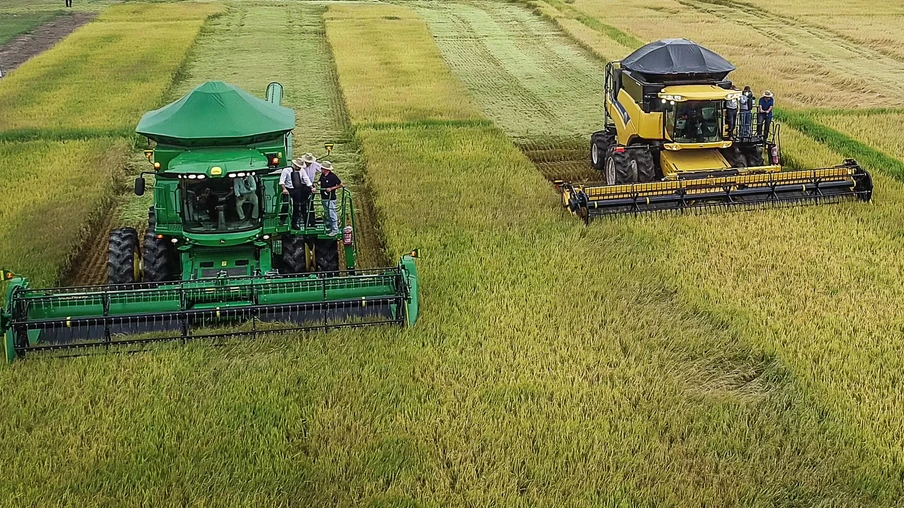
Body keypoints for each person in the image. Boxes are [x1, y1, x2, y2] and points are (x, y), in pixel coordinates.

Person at [279, 160, 315, 229]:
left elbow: (306, 179)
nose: (298, 168)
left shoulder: (302, 171)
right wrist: (284, 189)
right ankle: (282, 219)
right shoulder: (286, 170)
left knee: (297, 206)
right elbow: (282, 181)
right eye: (297, 167)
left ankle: (294, 223)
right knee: (285, 204)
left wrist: (311, 187)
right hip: (288, 189)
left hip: (297, 190)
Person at [318, 161, 343, 236]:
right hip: (324, 197)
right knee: (327, 213)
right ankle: (330, 227)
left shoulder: (333, 176)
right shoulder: (322, 175)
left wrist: (331, 188)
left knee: (332, 213)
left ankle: (335, 230)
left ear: (326, 169)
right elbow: (320, 180)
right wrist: (319, 182)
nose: (321, 169)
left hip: (331, 198)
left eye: (322, 168)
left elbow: (341, 185)